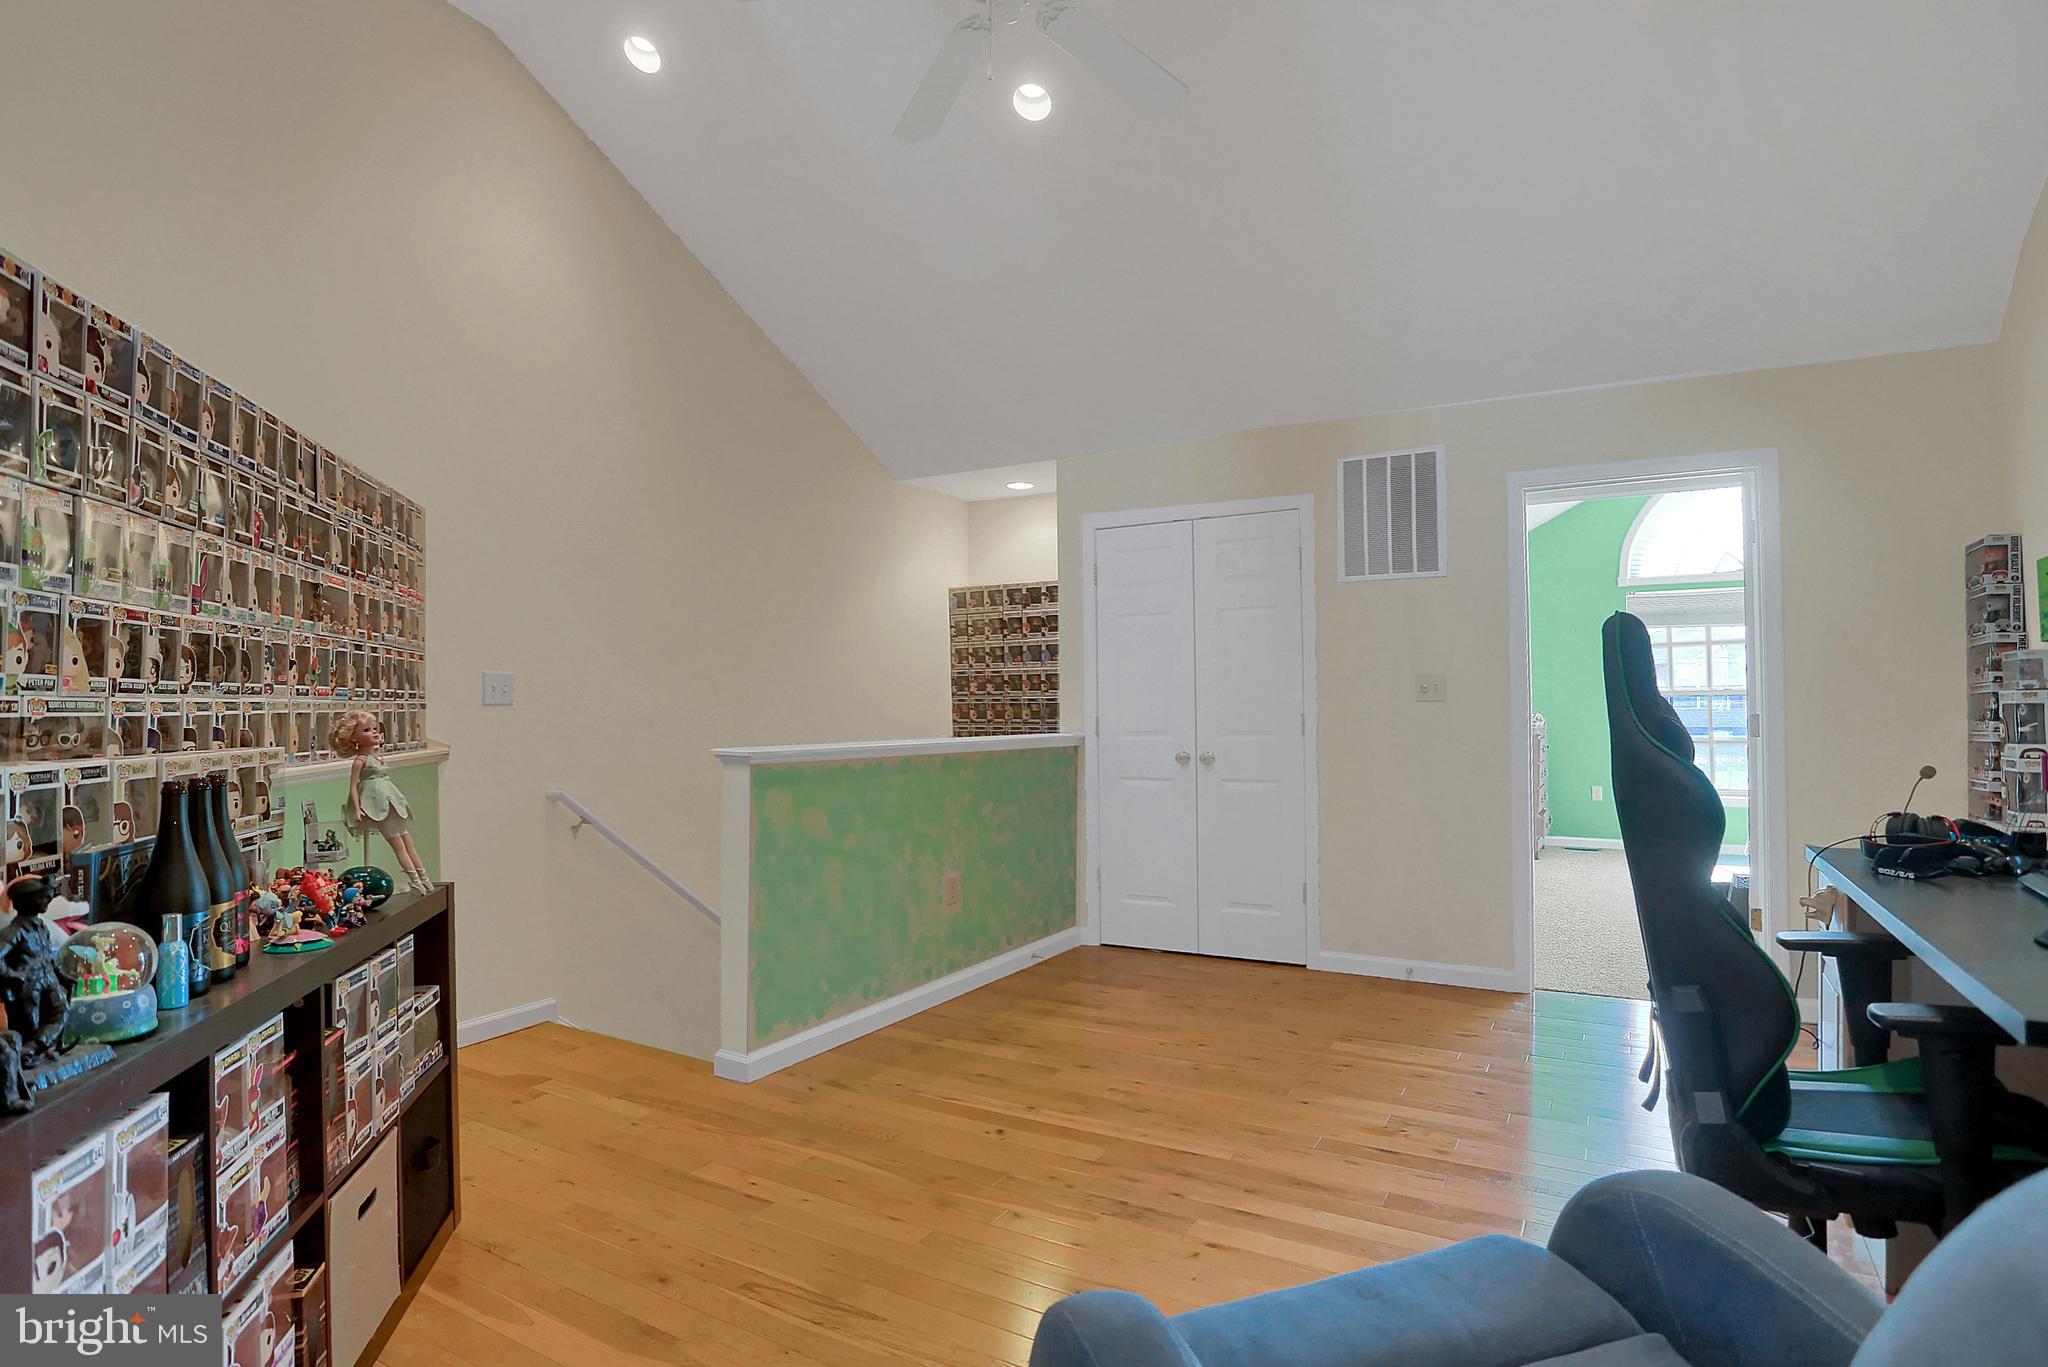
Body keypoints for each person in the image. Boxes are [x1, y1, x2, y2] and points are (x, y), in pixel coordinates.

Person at [329, 710, 429, 892]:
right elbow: (353, 785)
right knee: (398, 843)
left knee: (407, 841)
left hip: (391, 801)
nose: (374, 732)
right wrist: (358, 808)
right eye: (367, 730)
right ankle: (414, 878)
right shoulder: (360, 761)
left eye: (374, 728)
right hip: (374, 805)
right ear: (354, 738)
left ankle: (423, 876)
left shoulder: (377, 757)